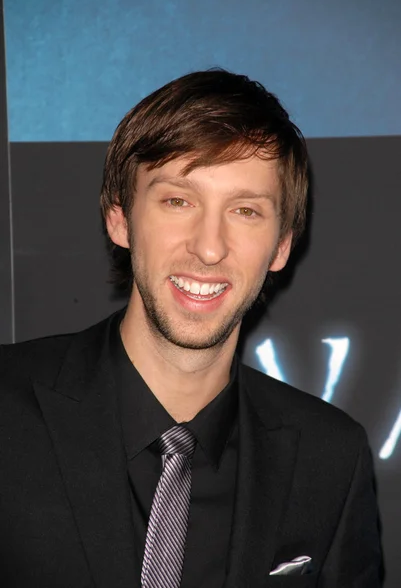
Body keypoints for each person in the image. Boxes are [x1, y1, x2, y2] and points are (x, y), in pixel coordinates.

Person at [0, 69, 382, 588]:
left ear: (282, 246)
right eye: (178, 201)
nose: (208, 247)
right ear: (120, 218)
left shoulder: (331, 458)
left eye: (245, 211)